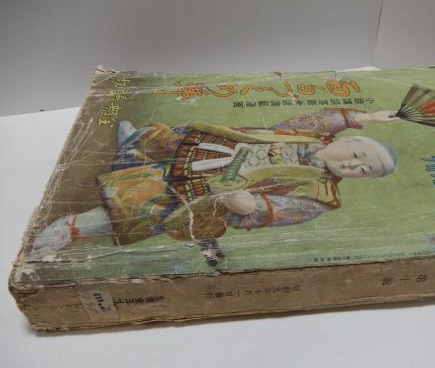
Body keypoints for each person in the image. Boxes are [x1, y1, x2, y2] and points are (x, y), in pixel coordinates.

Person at [29, 108, 399, 260]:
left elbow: (285, 212)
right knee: (164, 141)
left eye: (363, 170)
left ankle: (72, 227)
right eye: (356, 153)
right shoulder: (313, 135)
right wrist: (367, 117)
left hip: (219, 190)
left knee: (150, 202)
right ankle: (132, 146)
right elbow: (327, 118)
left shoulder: (322, 193)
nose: (352, 164)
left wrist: (250, 206)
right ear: (345, 140)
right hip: (216, 148)